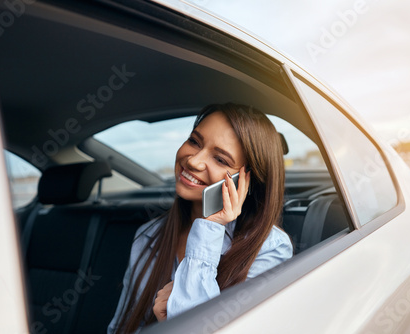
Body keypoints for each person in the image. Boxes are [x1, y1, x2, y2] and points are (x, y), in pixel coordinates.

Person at [108, 103, 293, 333]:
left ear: (247, 183)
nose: (193, 161)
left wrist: (211, 226)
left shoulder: (269, 249)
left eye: (221, 160)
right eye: (194, 142)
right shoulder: (148, 235)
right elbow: (122, 327)